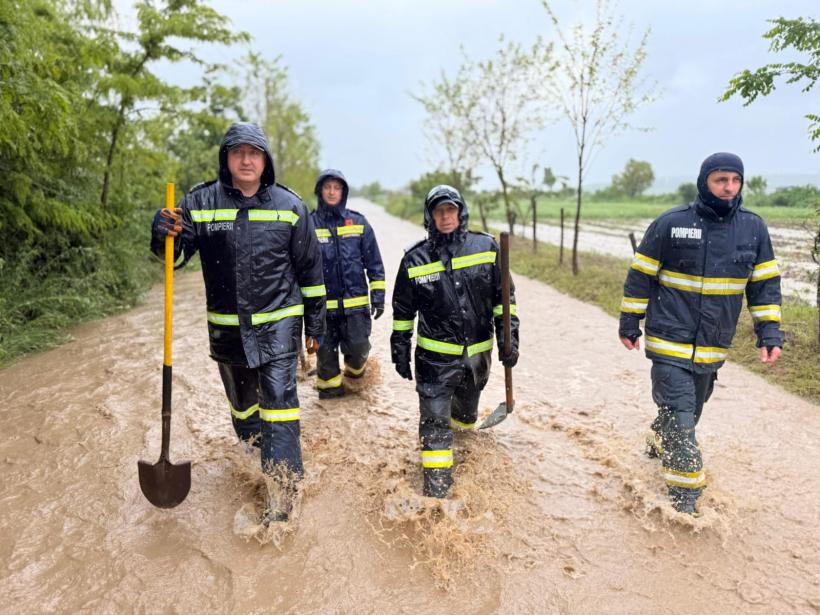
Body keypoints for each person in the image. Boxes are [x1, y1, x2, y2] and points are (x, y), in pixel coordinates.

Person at [150, 122, 326, 523]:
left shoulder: (290, 205)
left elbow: (311, 272)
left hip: (279, 325)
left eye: (255, 153)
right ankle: (256, 458)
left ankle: (282, 498)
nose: (247, 160)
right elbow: (174, 258)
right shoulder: (199, 203)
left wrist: (316, 326)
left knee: (280, 406)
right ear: (226, 159)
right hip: (227, 331)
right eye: (238, 152)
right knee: (245, 412)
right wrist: (161, 234)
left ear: (266, 161)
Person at [619, 152, 783, 515]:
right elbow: (640, 275)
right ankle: (686, 505)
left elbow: (764, 286)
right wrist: (630, 321)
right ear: (704, 182)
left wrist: (769, 332)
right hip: (668, 341)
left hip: (712, 347)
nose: (728, 187)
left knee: (687, 415)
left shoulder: (753, 228)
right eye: (720, 180)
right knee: (682, 420)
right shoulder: (672, 224)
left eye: (735, 180)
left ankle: (655, 443)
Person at [390, 185, 520, 498]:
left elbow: (505, 300)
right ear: (429, 217)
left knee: (464, 421)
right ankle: (437, 496)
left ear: (460, 212)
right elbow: (403, 313)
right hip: (433, 364)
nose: (445, 216)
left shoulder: (487, 247)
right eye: (439, 211)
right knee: (435, 424)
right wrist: (400, 349)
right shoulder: (414, 259)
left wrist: (510, 338)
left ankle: (461, 460)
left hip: (477, 360)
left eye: (450, 209)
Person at [309, 169, 386, 398]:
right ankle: (331, 408)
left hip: (356, 309)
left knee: (359, 351)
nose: (332, 192)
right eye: (327, 187)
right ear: (320, 191)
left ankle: (354, 382)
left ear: (343, 192)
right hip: (322, 313)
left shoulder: (359, 223)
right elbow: (299, 269)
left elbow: (374, 264)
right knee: (327, 370)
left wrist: (378, 296)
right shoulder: (308, 225)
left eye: (337, 187)